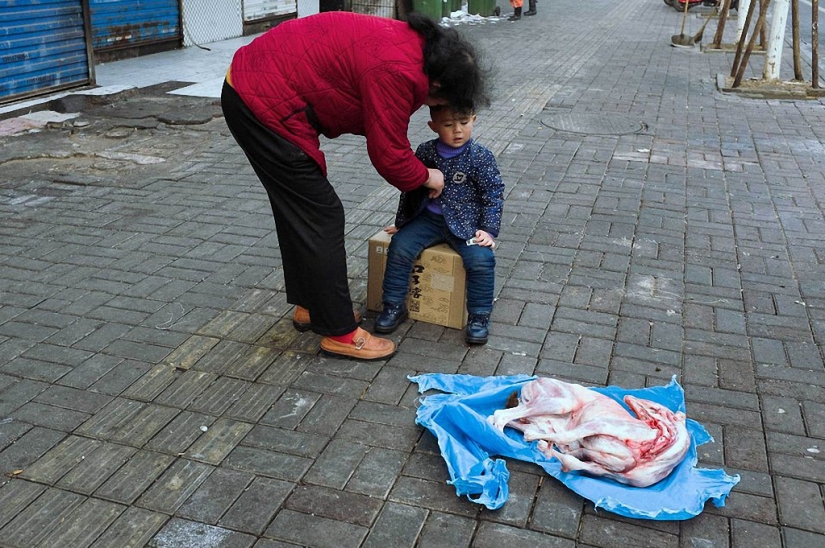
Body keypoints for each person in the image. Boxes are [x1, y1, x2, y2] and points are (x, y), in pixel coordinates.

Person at [221, 12, 489, 361]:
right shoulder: (398, 70)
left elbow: (381, 122)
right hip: (261, 99)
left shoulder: (415, 47)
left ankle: (313, 306)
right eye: (442, 104)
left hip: (254, 81)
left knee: (300, 211)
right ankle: (340, 333)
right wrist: (427, 176)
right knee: (322, 215)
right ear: (437, 85)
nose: (440, 110)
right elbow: (389, 154)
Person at [375, 104, 504, 345]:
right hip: (428, 219)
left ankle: (479, 317)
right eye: (448, 125)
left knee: (481, 260)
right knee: (400, 247)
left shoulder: (480, 156)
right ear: (433, 126)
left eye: (464, 123)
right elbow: (411, 189)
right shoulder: (426, 151)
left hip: (466, 224)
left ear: (473, 120)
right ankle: (393, 306)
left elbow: (493, 194)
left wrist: (488, 230)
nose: (457, 130)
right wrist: (402, 222)